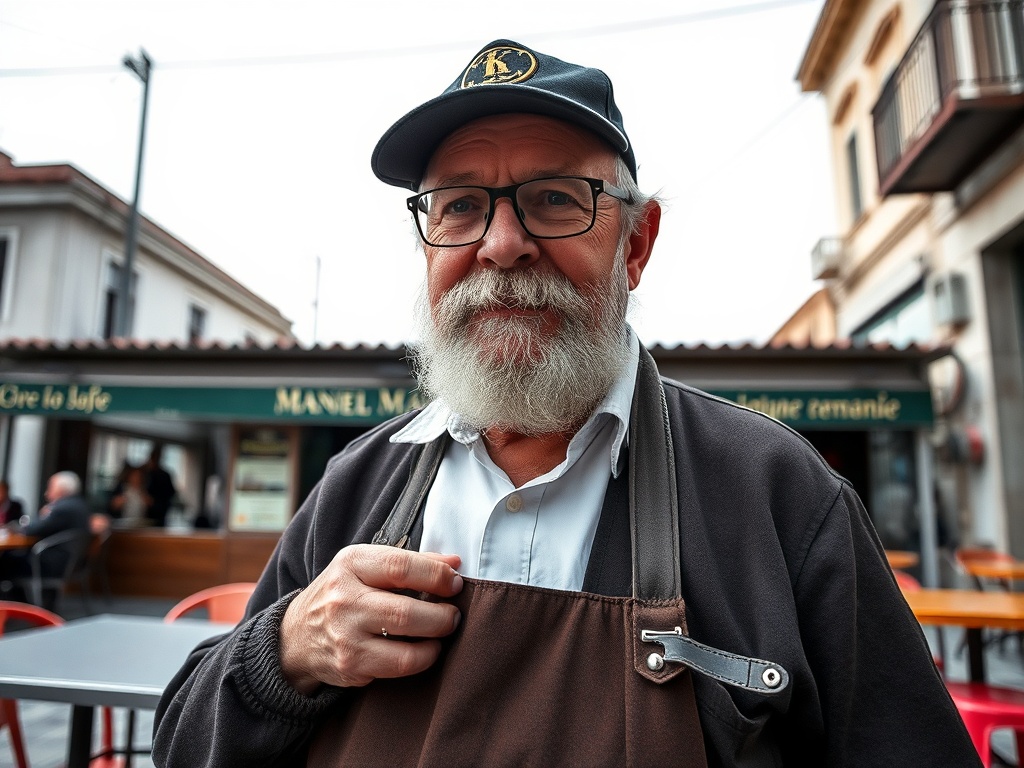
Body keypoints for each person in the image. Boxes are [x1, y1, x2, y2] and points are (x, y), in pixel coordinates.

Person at [153, 40, 979, 766]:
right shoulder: (357, 482)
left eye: (554, 198)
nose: (502, 246)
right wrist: (285, 652)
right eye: (462, 206)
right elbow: (183, 742)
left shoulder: (778, 495)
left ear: (637, 244)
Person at [0, 471, 91, 607]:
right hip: (67, 562)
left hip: (48, 563)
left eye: (51, 487)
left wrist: (44, 514)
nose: (46, 493)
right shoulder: (79, 505)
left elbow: (32, 530)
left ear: (61, 490)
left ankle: (16, 606)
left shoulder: (62, 508)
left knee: (5, 560)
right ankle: (19, 603)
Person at [144, 444, 177, 527]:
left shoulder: (164, 475)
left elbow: (171, 493)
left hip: (160, 513)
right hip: (144, 513)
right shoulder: (145, 473)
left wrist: (155, 503)